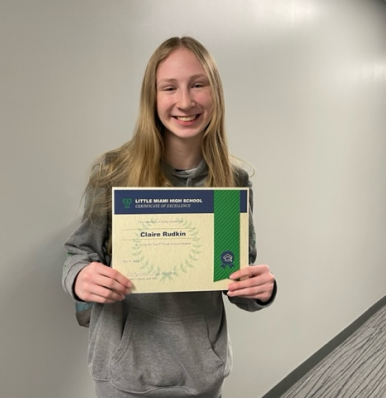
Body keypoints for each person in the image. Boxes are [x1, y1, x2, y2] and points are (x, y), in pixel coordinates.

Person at [62, 36, 276, 398]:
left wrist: (260, 291)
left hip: (202, 373)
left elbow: (232, 276)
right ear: (152, 97)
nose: (185, 101)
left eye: (198, 84)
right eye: (169, 87)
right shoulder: (115, 172)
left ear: (215, 93)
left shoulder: (231, 181)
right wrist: (80, 276)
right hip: (123, 372)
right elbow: (78, 253)